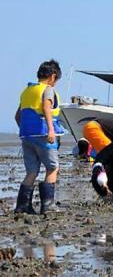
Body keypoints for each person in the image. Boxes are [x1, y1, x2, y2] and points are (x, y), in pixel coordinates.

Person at [14, 60, 66, 215]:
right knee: (52, 167)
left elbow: (17, 116)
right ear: (52, 76)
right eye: (56, 80)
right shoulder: (48, 90)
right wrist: (51, 130)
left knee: (31, 171)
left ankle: (22, 206)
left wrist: (26, 131)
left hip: (27, 136)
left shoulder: (26, 91)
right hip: (44, 135)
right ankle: (47, 206)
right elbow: (46, 108)